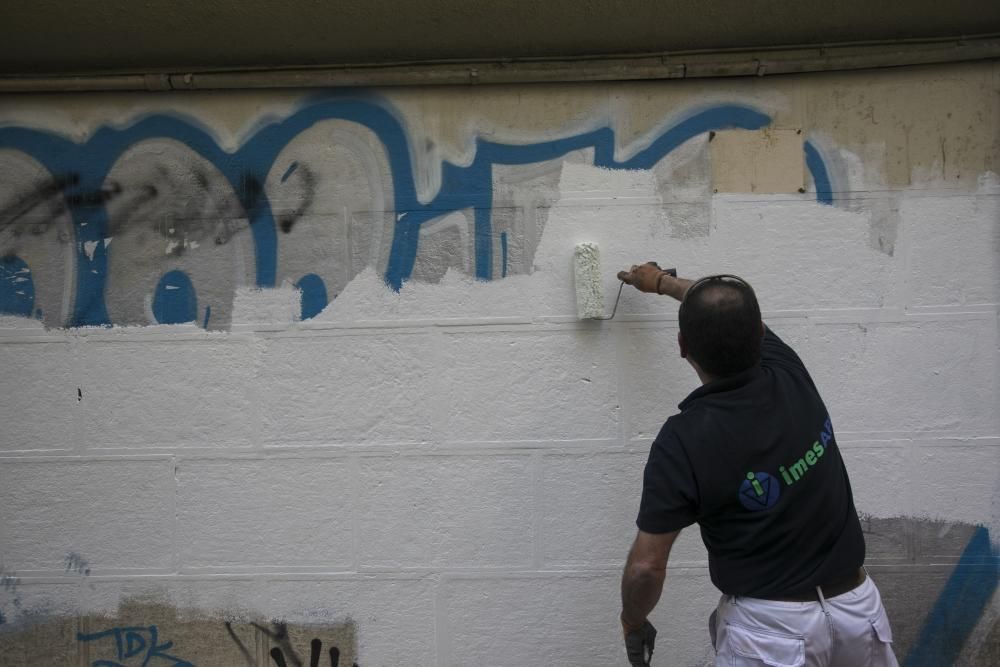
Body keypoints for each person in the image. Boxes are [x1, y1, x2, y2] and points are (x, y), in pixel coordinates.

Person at [615, 263, 897, 667]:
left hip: (770, 633)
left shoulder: (683, 439)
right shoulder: (788, 371)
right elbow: (727, 307)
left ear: (682, 347)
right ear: (762, 333)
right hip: (858, 611)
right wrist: (664, 283)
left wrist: (632, 620)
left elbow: (645, 567)